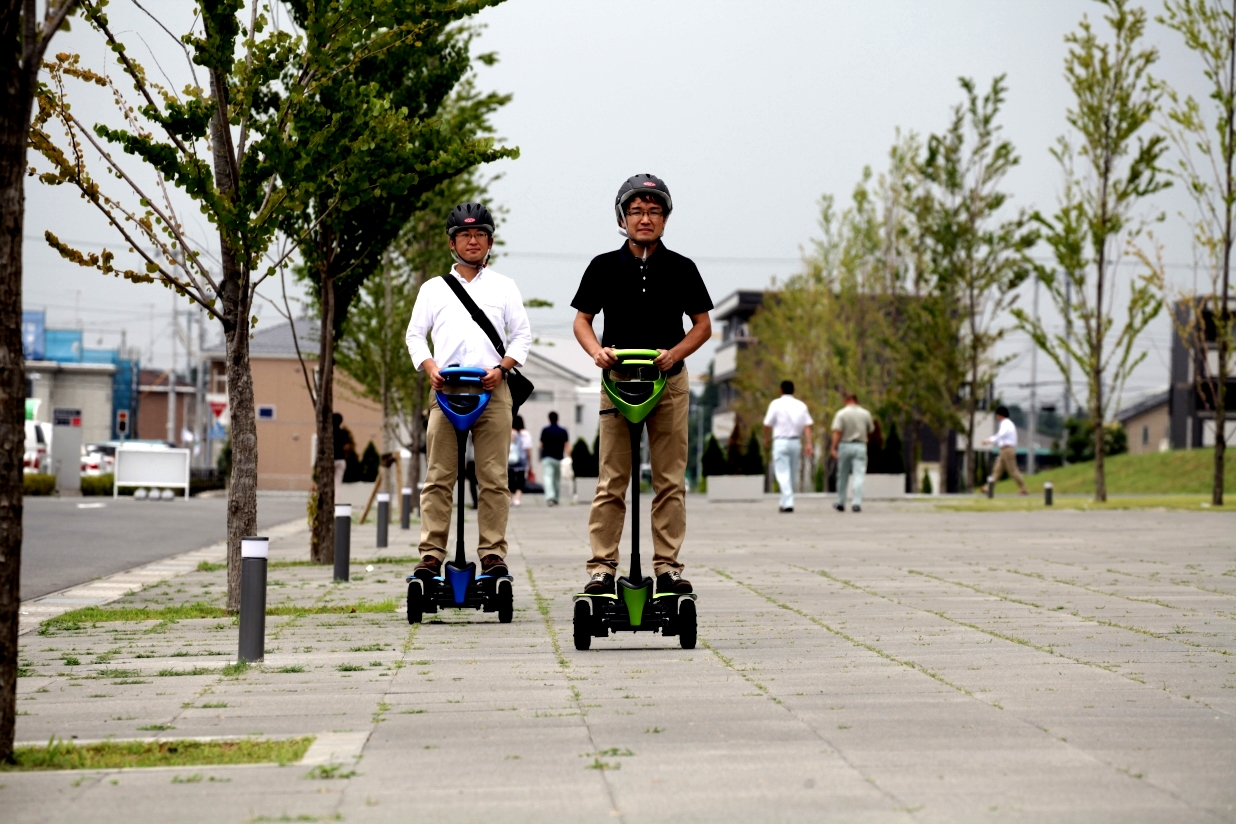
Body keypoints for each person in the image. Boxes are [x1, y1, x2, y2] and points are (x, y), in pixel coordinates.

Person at [571, 173, 713, 596]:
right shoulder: (602, 266)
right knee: (612, 478)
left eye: (654, 211)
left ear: (666, 219)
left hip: (667, 382)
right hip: (618, 380)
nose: (645, 219)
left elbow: (703, 325)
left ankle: (668, 567)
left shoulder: (682, 268)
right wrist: (597, 352)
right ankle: (601, 568)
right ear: (622, 218)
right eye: (636, 211)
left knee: (669, 479)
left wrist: (676, 353)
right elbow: (582, 320)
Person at [405, 202, 531, 582]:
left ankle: (493, 553)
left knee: (493, 476)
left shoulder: (504, 286)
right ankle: (431, 554)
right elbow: (414, 335)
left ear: (490, 241)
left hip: (492, 388)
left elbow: (522, 335)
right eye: (465, 235)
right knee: (439, 475)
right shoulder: (433, 288)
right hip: (446, 389)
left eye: (479, 234)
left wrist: (503, 368)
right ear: (452, 243)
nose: (472, 241)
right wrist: (429, 368)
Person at [763, 380, 813, 513]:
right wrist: (809, 443)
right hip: (795, 442)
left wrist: (766, 438)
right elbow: (807, 426)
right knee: (791, 473)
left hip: (780, 441)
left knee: (782, 473)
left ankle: (789, 502)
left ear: (781, 390)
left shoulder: (775, 404)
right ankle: (784, 502)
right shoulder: (801, 405)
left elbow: (767, 424)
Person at [830, 392, 875, 513]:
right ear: (856, 400)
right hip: (860, 445)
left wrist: (833, 447)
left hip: (845, 445)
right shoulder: (865, 414)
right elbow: (871, 430)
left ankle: (841, 502)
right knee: (859, 475)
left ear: (846, 400)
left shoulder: (841, 413)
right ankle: (856, 503)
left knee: (842, 475)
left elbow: (837, 432)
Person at [982, 405, 1028, 495]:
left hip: (1007, 450)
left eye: (997, 415)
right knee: (997, 470)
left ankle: (1023, 488)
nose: (996, 417)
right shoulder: (1007, 423)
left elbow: (1000, 435)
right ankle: (988, 487)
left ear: (1000, 415)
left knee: (1013, 471)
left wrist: (988, 440)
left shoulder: (1005, 424)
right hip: (1004, 450)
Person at [539, 411, 569, 506]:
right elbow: (566, 446)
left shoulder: (545, 430)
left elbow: (541, 445)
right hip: (559, 458)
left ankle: (550, 497)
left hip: (547, 457)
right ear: (557, 419)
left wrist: (540, 456)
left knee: (548, 477)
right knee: (557, 479)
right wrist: (569, 458)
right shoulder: (563, 431)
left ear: (549, 419)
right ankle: (555, 498)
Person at [508, 415, 532, 507]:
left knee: (509, 479)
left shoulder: (510, 432)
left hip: (510, 459)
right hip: (522, 460)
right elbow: (528, 449)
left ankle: (509, 498)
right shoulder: (526, 433)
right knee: (521, 480)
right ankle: (517, 499)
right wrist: (530, 463)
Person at [332, 413, 349, 496]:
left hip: (329, 459)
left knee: (327, 483)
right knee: (337, 484)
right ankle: (336, 504)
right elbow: (346, 447)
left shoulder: (327, 433)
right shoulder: (343, 433)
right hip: (340, 459)